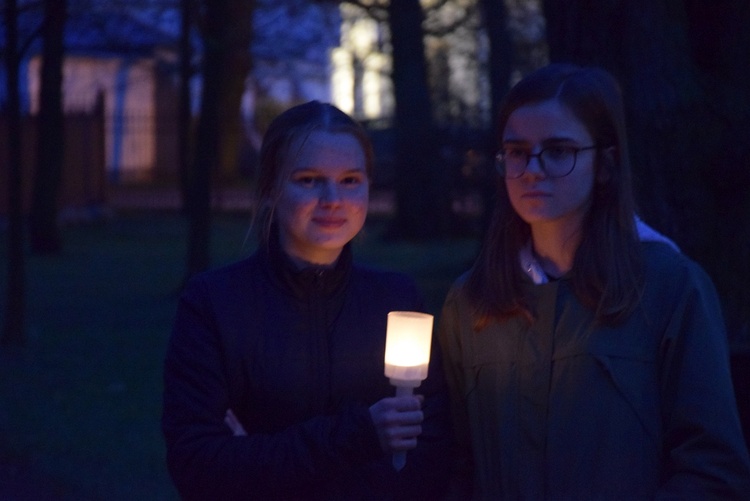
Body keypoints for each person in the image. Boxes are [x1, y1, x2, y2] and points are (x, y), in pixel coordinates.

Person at [437, 63, 750, 499]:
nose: (532, 169)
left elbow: (713, 469)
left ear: (604, 164)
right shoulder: (471, 301)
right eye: (516, 151)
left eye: (558, 151)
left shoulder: (669, 288)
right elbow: (456, 461)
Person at [162, 101, 452, 500]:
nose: (333, 198)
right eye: (309, 179)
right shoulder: (216, 304)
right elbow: (200, 467)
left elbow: (431, 457)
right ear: (270, 190)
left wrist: (257, 458)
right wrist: (362, 436)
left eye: (350, 180)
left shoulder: (397, 302)